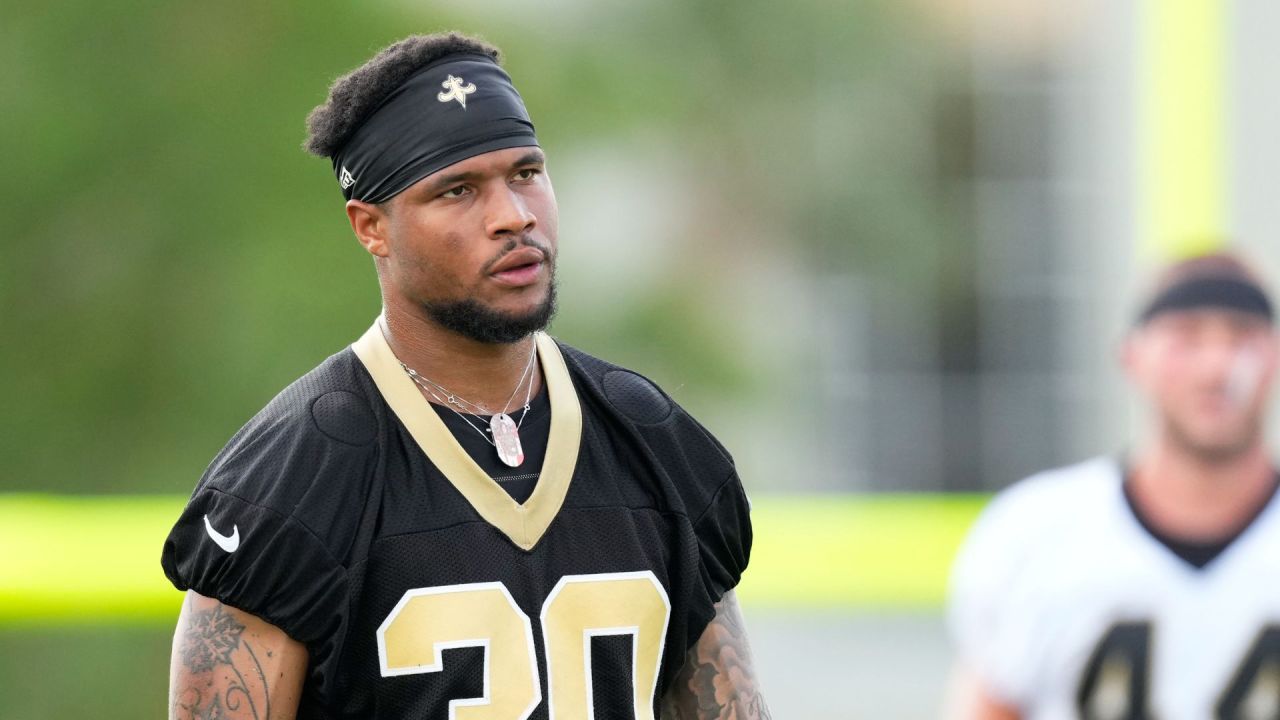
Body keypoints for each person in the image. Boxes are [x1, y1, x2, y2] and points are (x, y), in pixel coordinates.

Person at [162, 32, 769, 720]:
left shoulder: (654, 443)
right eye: (457, 190)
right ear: (372, 228)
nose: (513, 216)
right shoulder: (292, 481)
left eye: (526, 173)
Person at [945, 251, 1280, 719]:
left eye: (1242, 337)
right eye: (1187, 339)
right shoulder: (1034, 535)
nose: (1217, 367)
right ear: (1132, 356)